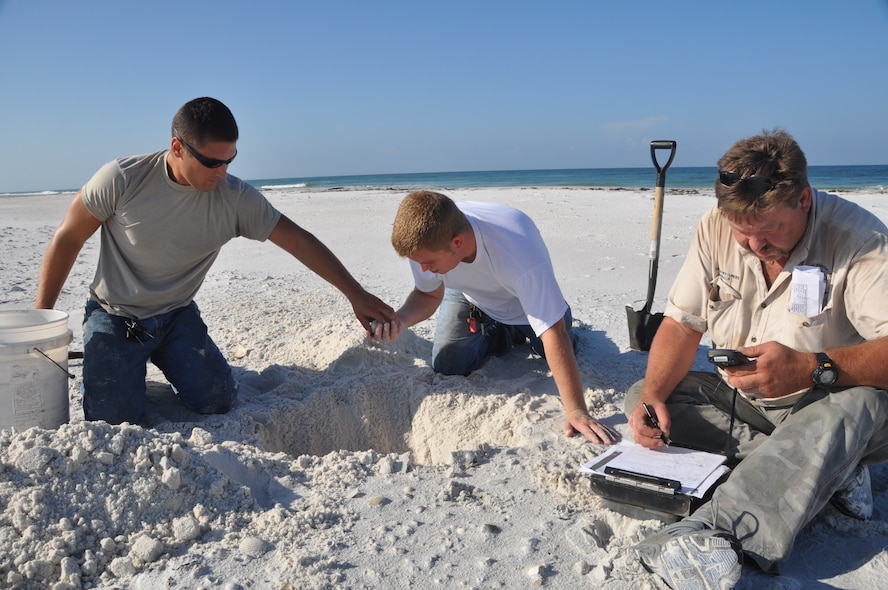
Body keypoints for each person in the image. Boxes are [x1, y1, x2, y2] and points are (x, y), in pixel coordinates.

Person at [624, 130, 888, 589]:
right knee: (645, 397)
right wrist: (652, 395)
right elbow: (683, 324)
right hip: (745, 401)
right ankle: (827, 471)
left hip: (829, 400)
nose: (754, 246)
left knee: (861, 403)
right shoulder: (714, 227)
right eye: (742, 232)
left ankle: (716, 534)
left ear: (804, 200)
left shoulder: (860, 241)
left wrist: (811, 367)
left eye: (769, 232)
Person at [36, 97, 395, 425]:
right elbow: (68, 238)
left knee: (219, 400)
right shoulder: (123, 178)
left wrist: (356, 294)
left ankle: (147, 376)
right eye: (211, 162)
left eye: (229, 161)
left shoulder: (234, 198)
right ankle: (119, 384)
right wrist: (41, 319)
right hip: (115, 316)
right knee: (112, 421)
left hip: (177, 316)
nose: (222, 172)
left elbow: (299, 241)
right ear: (177, 147)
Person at [370, 189, 618, 445]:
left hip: (524, 305)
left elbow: (554, 333)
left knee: (555, 347)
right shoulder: (425, 242)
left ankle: (551, 310)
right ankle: (501, 331)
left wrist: (577, 411)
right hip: (473, 298)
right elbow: (428, 295)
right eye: (418, 262)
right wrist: (399, 321)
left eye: (428, 262)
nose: (423, 269)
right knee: (449, 365)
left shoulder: (518, 250)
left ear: (457, 242)